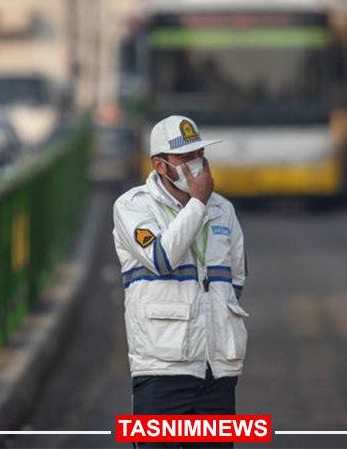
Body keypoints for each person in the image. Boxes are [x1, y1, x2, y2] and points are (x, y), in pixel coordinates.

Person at [113, 115, 247, 448]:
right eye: (184, 158)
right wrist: (198, 203)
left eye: (199, 154)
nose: (196, 163)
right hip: (162, 371)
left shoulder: (224, 211)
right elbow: (161, 258)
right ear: (160, 165)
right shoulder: (132, 207)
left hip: (216, 372)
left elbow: (236, 279)